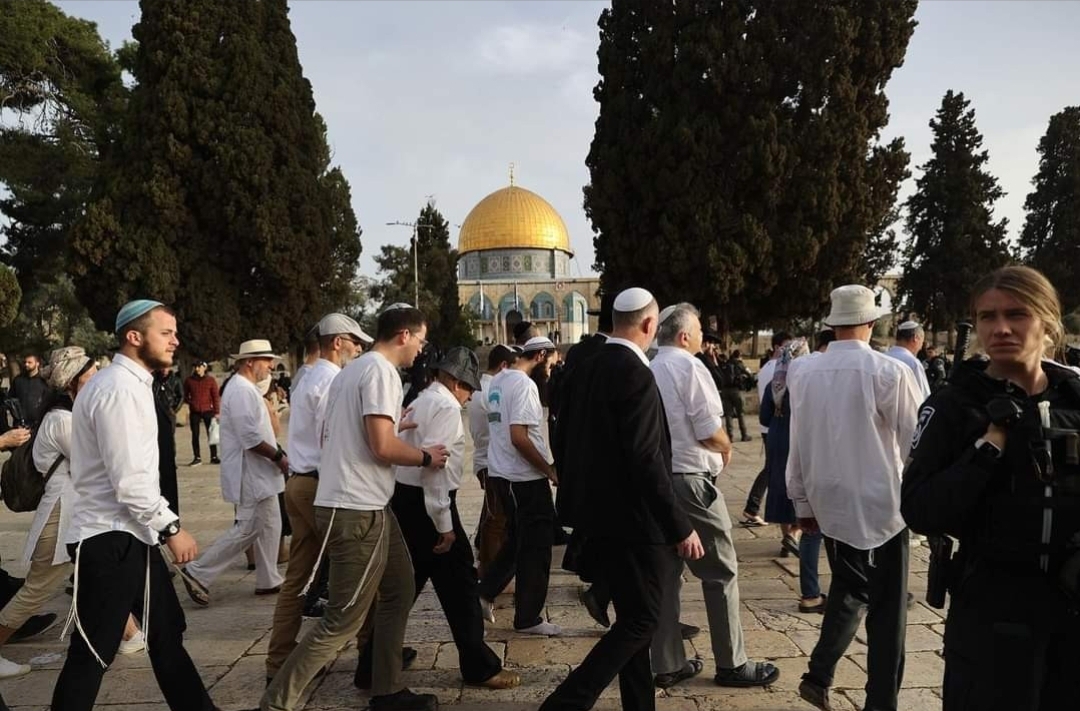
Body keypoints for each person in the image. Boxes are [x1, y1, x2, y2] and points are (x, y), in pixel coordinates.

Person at [901, 266, 1080, 710]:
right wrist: (989, 445)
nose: (1000, 328)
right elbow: (921, 509)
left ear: (1047, 321)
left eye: (1017, 314)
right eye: (987, 316)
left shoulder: (1074, 400)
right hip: (992, 614)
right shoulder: (954, 404)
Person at [256, 305, 448, 711]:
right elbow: (381, 445)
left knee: (399, 588)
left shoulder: (351, 372)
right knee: (341, 620)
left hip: (368, 504)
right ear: (403, 335)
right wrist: (426, 457)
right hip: (356, 509)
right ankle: (276, 703)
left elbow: (355, 432)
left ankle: (387, 688)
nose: (421, 348)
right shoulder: (380, 371)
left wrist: (399, 426)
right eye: (420, 339)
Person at [541, 287, 704, 711]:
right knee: (642, 619)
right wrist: (679, 525)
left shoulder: (583, 365)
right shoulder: (634, 372)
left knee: (632, 615)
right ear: (650, 325)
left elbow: (562, 435)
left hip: (599, 517)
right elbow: (646, 458)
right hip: (634, 522)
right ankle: (567, 701)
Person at [51, 299, 218, 711]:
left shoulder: (131, 385)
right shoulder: (118, 390)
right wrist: (171, 528)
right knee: (92, 651)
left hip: (128, 535)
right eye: (166, 332)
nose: (175, 341)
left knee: (165, 635)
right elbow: (130, 480)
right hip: (109, 539)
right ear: (134, 336)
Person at [786, 285, 921, 711]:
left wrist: (802, 502)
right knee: (887, 614)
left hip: (830, 503)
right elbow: (915, 441)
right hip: (880, 506)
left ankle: (819, 673)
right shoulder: (887, 372)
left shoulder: (803, 370)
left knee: (850, 587)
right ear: (871, 322)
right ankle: (881, 701)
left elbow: (798, 440)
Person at [649, 303, 779, 690]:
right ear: (684, 335)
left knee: (667, 574)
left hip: (658, 481)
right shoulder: (689, 367)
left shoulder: (649, 368)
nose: (705, 337)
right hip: (690, 480)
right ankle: (732, 663)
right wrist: (725, 447)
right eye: (700, 330)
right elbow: (708, 428)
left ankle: (667, 662)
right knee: (720, 571)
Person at [392, 348, 520, 689]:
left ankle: (375, 659)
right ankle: (480, 666)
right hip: (430, 505)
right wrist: (444, 525)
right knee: (462, 585)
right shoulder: (446, 406)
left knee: (409, 584)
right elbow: (436, 469)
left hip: (406, 501)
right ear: (451, 380)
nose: (470, 394)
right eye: (466, 386)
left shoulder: (421, 399)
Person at [265, 314, 369, 684]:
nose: (358, 348)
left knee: (296, 578)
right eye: (354, 341)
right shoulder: (330, 379)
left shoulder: (307, 374)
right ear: (337, 341)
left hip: (298, 481)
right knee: (356, 569)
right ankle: (370, 655)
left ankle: (278, 660)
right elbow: (334, 437)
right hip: (318, 486)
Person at [0, 348, 98, 679]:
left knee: (98, 575)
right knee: (36, 590)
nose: (97, 378)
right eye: (91, 373)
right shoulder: (62, 420)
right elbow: (94, 464)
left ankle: (128, 635)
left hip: (75, 512)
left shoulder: (69, 415)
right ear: (73, 381)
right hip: (62, 514)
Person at [179, 340, 288, 605]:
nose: (271, 366)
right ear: (250, 362)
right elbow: (250, 438)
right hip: (251, 471)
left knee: (271, 524)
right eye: (266, 360)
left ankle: (268, 578)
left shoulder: (246, 389)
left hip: (261, 472)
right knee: (249, 528)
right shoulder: (240, 390)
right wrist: (278, 457)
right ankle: (197, 571)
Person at [477, 336, 561, 635]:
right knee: (537, 549)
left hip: (503, 474)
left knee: (517, 542)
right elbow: (519, 436)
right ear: (540, 356)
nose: (551, 370)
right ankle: (529, 618)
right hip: (523, 477)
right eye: (551, 363)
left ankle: (485, 592)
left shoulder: (500, 380)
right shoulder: (524, 385)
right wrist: (549, 470)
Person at [759, 338, 825, 613]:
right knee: (811, 509)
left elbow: (763, 416)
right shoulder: (808, 382)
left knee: (782, 485)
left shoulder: (777, 381)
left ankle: (788, 534)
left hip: (776, 433)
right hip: (799, 438)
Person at [467, 344, 519, 578]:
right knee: (495, 518)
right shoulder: (492, 392)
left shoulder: (480, 390)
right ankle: (490, 571)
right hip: (491, 461)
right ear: (504, 366)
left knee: (495, 515)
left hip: (485, 458)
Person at [742, 331, 792, 526]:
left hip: (769, 424)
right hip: (777, 423)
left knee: (771, 468)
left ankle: (752, 506)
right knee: (774, 471)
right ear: (778, 347)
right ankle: (753, 506)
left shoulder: (767, 368)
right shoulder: (778, 371)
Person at [184, 361, 220, 465]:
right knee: (195, 435)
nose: (197, 369)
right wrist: (191, 402)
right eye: (195, 367)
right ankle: (197, 457)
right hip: (195, 411)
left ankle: (214, 456)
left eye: (199, 367)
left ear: (204, 368)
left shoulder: (210, 380)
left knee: (211, 434)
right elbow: (185, 395)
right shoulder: (189, 381)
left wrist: (217, 412)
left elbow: (215, 397)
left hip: (208, 410)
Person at [886, 320, 932, 400]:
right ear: (916, 338)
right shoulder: (913, 363)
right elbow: (924, 396)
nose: (921, 346)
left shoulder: (882, 357)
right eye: (922, 340)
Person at [718, 349, 753, 442]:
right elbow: (749, 375)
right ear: (739, 356)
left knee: (728, 414)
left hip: (725, 390)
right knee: (740, 413)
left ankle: (730, 436)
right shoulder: (739, 364)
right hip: (736, 390)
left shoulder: (725, 364)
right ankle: (744, 434)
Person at [9, 353, 49, 426]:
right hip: (19, 425)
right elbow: (11, 400)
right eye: (25, 362)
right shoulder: (18, 381)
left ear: (37, 363)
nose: (26, 364)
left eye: (29, 362)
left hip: (39, 425)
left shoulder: (44, 382)